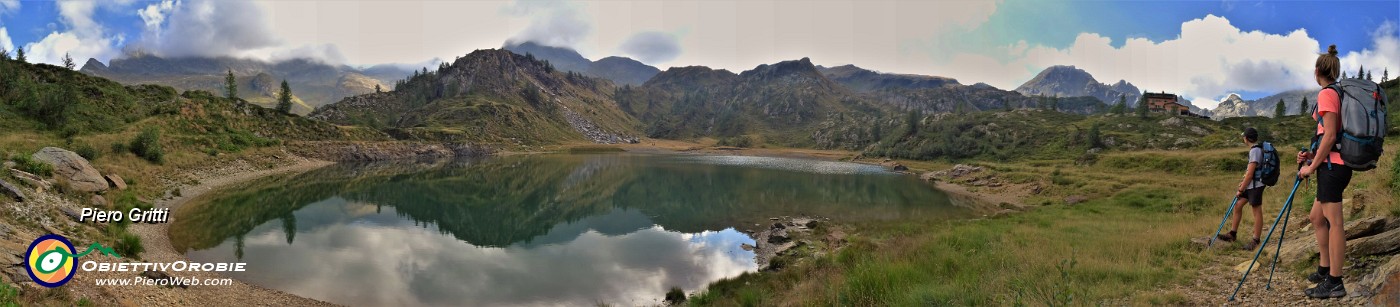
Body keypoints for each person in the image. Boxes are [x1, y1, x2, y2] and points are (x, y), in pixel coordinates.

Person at [1297, 44, 1350, 299]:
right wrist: (1310, 156)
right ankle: (1324, 268)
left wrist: (1311, 166)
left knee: (1335, 222)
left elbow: (1329, 136)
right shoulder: (1336, 93)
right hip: (1332, 164)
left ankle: (1335, 282)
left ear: (1317, 70)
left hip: (1333, 167)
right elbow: (1327, 138)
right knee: (1317, 218)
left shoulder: (1327, 94)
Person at [1216, 127, 1266, 250]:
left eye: (1244, 136)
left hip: (1256, 185)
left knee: (1256, 211)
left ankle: (1256, 240)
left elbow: (1250, 174)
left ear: (1247, 138)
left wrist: (1240, 189)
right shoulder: (1256, 149)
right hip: (1250, 185)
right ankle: (1232, 234)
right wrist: (1244, 184)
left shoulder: (1255, 151)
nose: (1243, 138)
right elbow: (1249, 173)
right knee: (1238, 205)